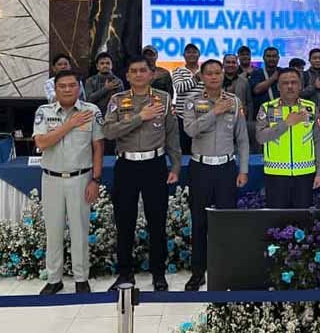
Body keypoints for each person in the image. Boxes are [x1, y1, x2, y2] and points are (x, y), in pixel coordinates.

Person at [103, 56, 181, 292]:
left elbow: (172, 135)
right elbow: (108, 132)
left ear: (151, 74)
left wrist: (175, 166)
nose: (138, 74)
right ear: (127, 76)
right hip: (126, 166)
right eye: (133, 71)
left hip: (154, 165)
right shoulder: (117, 100)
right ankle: (125, 274)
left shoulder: (163, 99)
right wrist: (140, 117)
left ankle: (158, 273)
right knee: (124, 221)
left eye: (143, 70)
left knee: (157, 220)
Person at [33, 70, 104, 295]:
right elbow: (42, 142)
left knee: (80, 231)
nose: (67, 89)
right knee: (53, 231)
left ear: (79, 87)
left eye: (72, 85)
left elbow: (98, 148)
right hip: (52, 179)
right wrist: (69, 124)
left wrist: (95, 180)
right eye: (62, 86)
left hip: (81, 179)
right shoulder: (44, 112)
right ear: (55, 89)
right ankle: (54, 279)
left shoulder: (91, 111)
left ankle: (81, 278)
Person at [182, 60, 250, 290]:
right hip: (200, 168)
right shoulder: (192, 101)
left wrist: (243, 169)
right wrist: (214, 112)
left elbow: (242, 139)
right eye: (209, 73)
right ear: (201, 77)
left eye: (217, 73)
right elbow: (190, 130)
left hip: (226, 169)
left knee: (226, 222)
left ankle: (226, 271)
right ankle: (198, 273)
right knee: (199, 222)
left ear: (223, 75)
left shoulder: (234, 102)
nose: (213, 77)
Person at [255, 68, 320, 208]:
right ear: (278, 87)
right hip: (276, 174)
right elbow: (260, 137)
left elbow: (319, 142)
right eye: (285, 83)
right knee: (277, 218)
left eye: (294, 82)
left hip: (305, 174)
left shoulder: (311, 108)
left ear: (300, 85)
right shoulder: (267, 108)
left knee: (303, 217)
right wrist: (286, 124)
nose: (290, 86)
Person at [172, 43, 202, 154]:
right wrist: (196, 78)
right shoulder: (178, 71)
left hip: (201, 117)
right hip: (182, 118)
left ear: (199, 54)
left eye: (194, 52)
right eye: (188, 52)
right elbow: (179, 88)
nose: (191, 54)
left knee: (200, 149)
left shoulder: (205, 71)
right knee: (184, 150)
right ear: (184, 55)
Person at [249, 46, 282, 118]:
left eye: (274, 56)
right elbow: (256, 90)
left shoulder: (283, 72)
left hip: (281, 111)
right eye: (268, 56)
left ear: (278, 58)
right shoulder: (257, 72)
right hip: (262, 112)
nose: (271, 59)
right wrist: (273, 78)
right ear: (263, 58)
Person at [223, 54, 251, 119]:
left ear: (237, 65)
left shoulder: (245, 81)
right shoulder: (217, 81)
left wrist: (249, 120)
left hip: (241, 119)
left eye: (233, 62)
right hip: (221, 119)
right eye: (228, 62)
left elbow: (249, 103)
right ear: (223, 64)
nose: (231, 65)